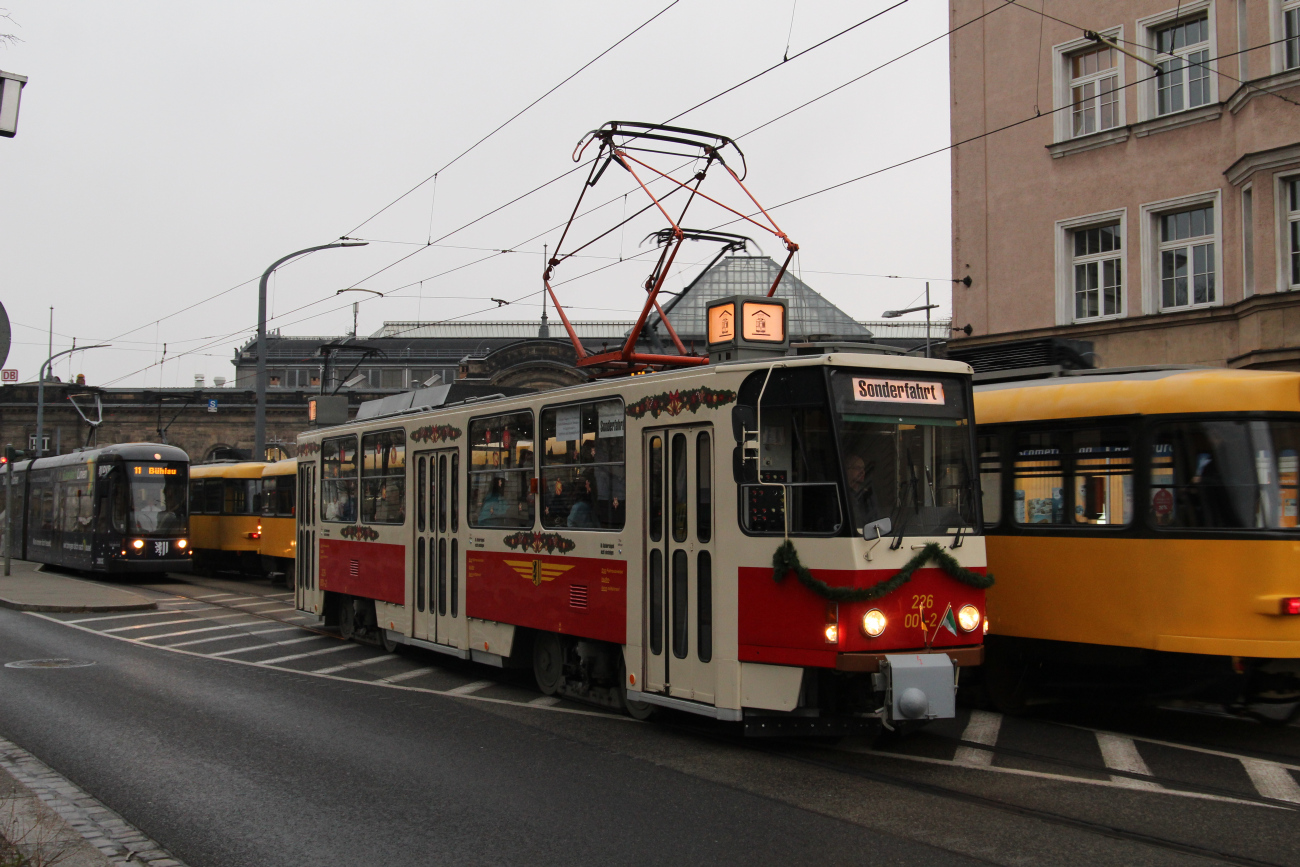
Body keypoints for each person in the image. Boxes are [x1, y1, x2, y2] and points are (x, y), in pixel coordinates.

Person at [845, 453, 882, 528]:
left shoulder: (868, 493)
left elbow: (875, 517)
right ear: (847, 470)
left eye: (863, 469)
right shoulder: (843, 494)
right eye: (858, 468)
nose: (862, 472)